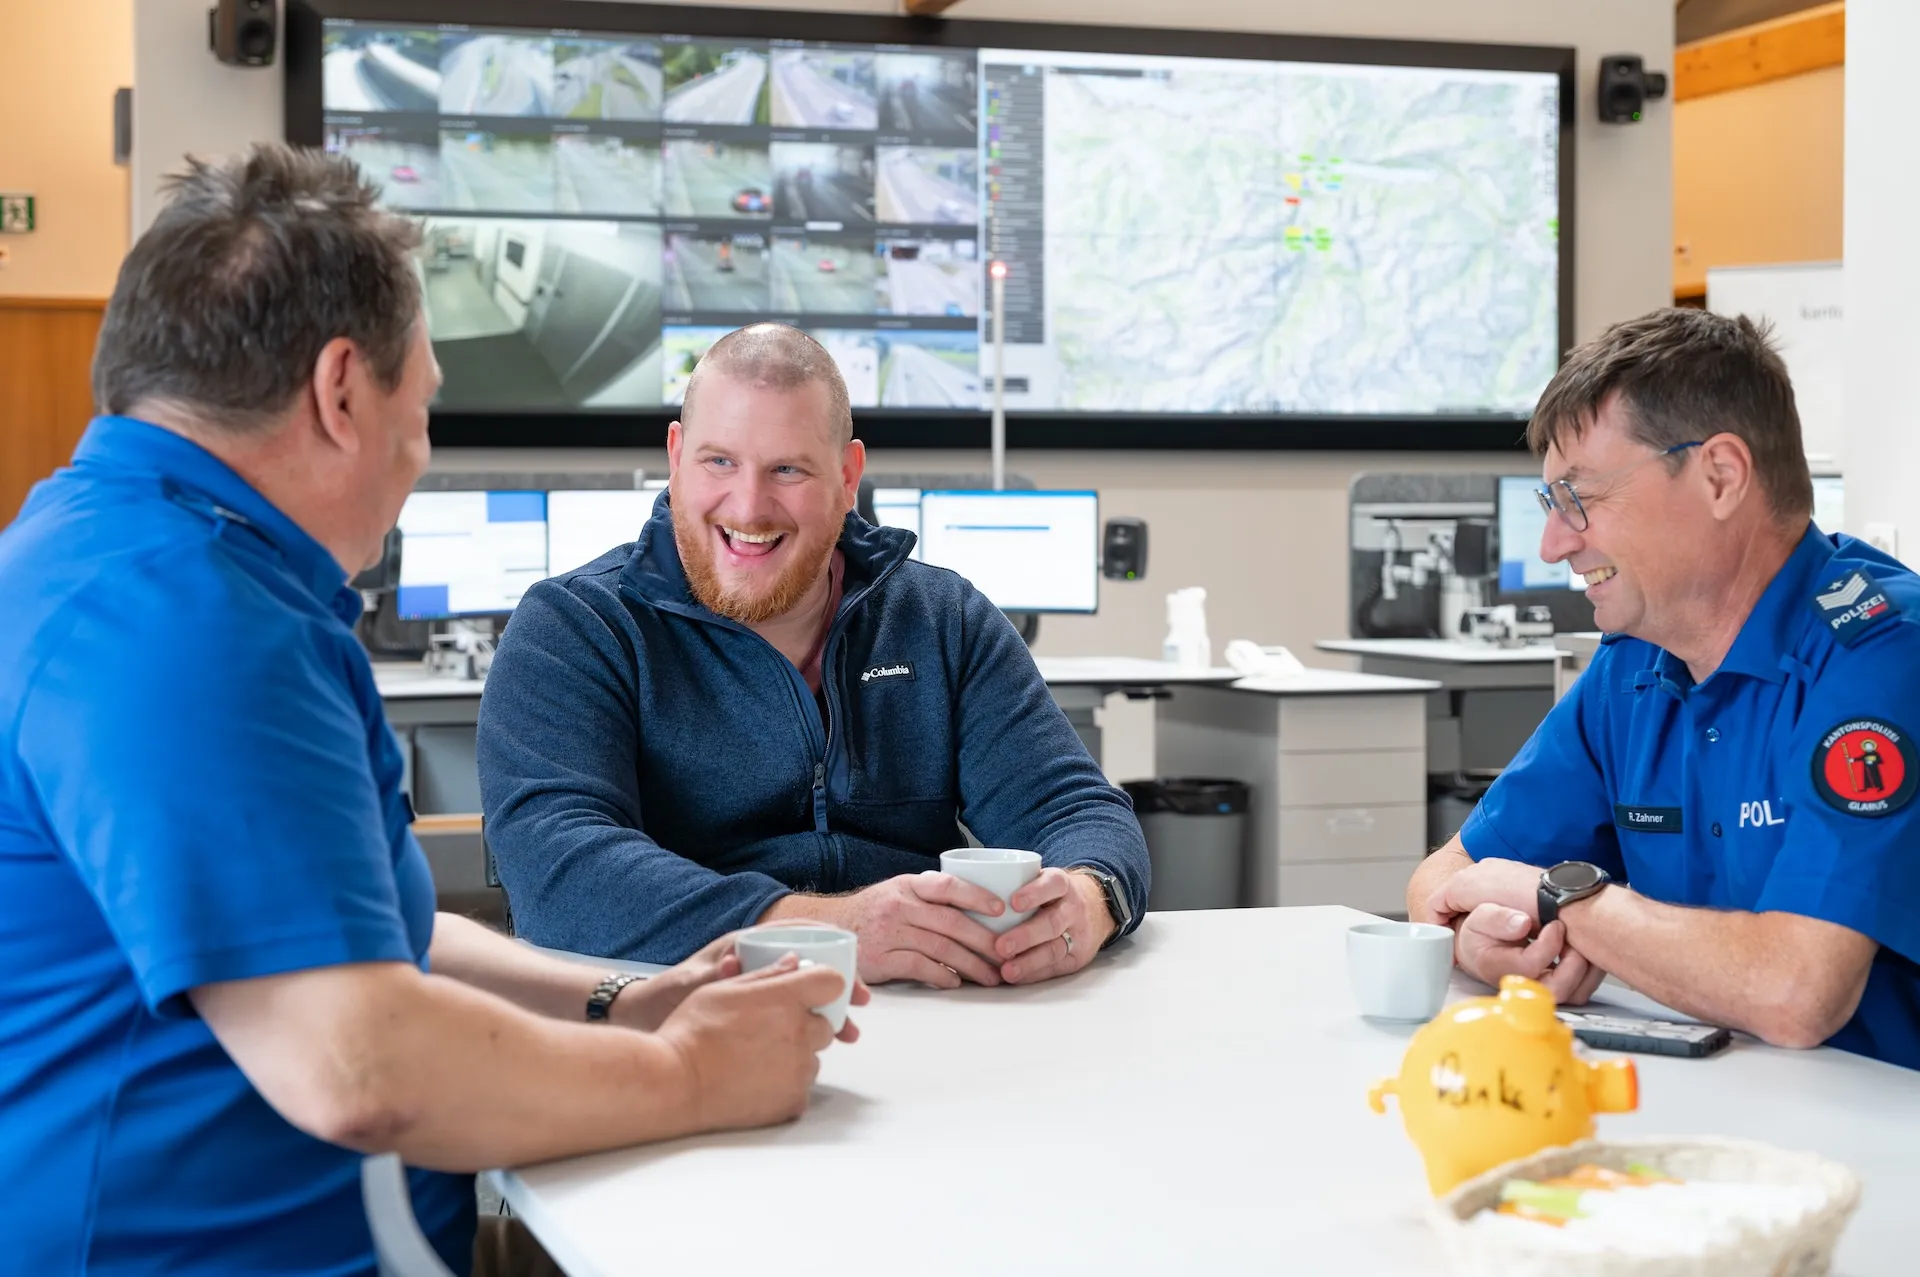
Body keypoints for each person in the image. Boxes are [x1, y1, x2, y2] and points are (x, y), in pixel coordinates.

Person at [0, 144, 864, 1277]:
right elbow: (358, 1062)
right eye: (426, 402)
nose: (420, 448)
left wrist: (634, 1001)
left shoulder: (122, 551)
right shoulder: (185, 619)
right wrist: (696, 1073)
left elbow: (370, 934)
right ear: (344, 390)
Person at [479, 323, 1149, 989]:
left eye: (787, 469)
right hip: (685, 1013)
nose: (748, 505)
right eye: (719, 461)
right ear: (676, 456)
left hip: (934, 1012)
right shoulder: (577, 627)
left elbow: (1075, 810)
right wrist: (833, 933)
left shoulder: (944, 620)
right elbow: (560, 867)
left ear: (847, 475)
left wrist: (1086, 901)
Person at [1407, 307, 1920, 1071]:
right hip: (1725, 1109)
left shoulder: (1883, 649)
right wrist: (1483, 944)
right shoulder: (1635, 663)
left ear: (1720, 476)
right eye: (1552, 505)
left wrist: (1564, 899)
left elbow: (1795, 989)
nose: (1555, 544)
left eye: (1580, 496)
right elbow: (1441, 881)